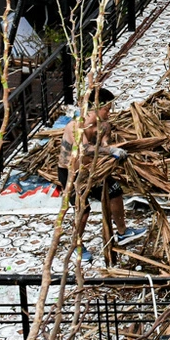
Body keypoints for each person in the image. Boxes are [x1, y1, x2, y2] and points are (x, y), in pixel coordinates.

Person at [58, 88, 126, 262]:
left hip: (93, 170)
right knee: (83, 210)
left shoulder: (104, 124)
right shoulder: (75, 126)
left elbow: (104, 141)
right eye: (107, 109)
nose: (109, 112)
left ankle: (123, 233)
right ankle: (76, 244)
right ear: (95, 107)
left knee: (116, 192)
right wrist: (110, 150)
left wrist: (108, 147)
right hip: (71, 173)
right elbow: (85, 149)